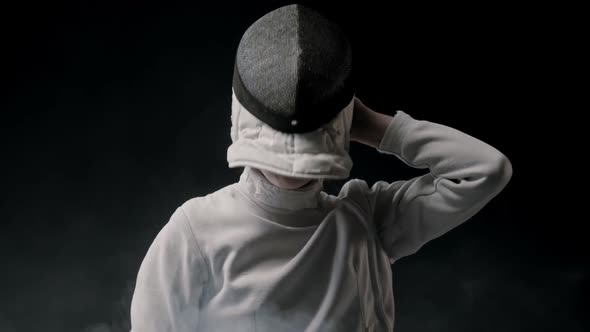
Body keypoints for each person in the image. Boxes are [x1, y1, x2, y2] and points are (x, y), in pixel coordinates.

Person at [129, 4, 512, 332]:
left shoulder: (364, 220)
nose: (294, 168)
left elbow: (486, 170)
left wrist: (379, 128)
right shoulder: (195, 231)